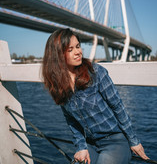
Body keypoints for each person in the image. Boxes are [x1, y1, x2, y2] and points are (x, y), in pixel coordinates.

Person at [42, 28, 149, 164]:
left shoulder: (95, 72)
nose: (78, 52)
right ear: (57, 55)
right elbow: (71, 120)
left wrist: (134, 141)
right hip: (90, 144)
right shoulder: (58, 85)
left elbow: (117, 107)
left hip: (114, 141)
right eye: (70, 49)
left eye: (78, 46)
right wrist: (81, 146)